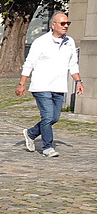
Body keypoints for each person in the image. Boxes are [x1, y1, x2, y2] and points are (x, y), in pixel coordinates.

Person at [17, 12, 84, 157]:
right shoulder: (41, 42)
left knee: (54, 118)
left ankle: (30, 133)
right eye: (62, 23)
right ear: (53, 25)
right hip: (41, 86)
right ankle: (48, 147)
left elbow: (73, 64)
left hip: (59, 86)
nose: (66, 26)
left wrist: (78, 81)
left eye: (68, 23)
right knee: (47, 116)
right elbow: (29, 64)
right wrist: (22, 83)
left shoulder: (69, 42)